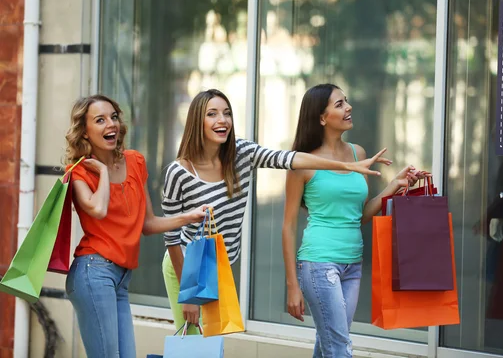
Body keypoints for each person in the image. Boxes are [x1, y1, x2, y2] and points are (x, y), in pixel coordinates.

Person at [161, 88, 391, 334]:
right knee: (194, 344)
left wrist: (346, 165)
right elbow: (172, 238)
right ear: (197, 121)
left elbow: (289, 159)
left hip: (219, 267)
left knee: (211, 344)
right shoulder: (179, 172)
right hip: (186, 266)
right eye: (212, 114)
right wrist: (188, 294)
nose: (222, 120)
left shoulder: (241, 154)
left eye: (227, 113)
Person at [281, 84, 424, 358]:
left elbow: (359, 216)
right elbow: (287, 226)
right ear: (321, 118)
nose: (348, 107)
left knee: (328, 346)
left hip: (352, 266)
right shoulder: (303, 163)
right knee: (340, 348)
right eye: (339, 104)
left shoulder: (358, 153)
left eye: (346, 101)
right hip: (319, 264)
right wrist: (292, 285)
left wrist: (394, 185)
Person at [64, 95, 210, 358]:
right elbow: (98, 208)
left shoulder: (135, 162)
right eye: (100, 120)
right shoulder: (79, 173)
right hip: (93, 273)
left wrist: (189, 216)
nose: (112, 124)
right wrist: (104, 172)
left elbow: (148, 223)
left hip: (121, 278)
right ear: (84, 132)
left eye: (114, 117)